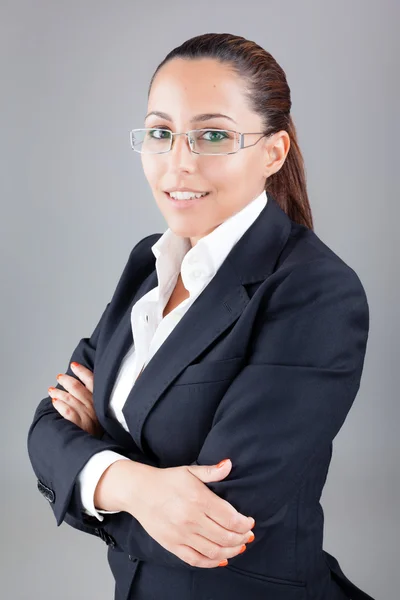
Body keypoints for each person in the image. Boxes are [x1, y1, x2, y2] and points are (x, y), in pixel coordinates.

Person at [27, 32, 375, 600]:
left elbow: (218, 521)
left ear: (273, 152)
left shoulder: (315, 292)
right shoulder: (150, 262)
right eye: (161, 133)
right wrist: (140, 487)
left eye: (213, 135)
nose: (179, 163)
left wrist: (89, 474)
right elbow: (49, 422)